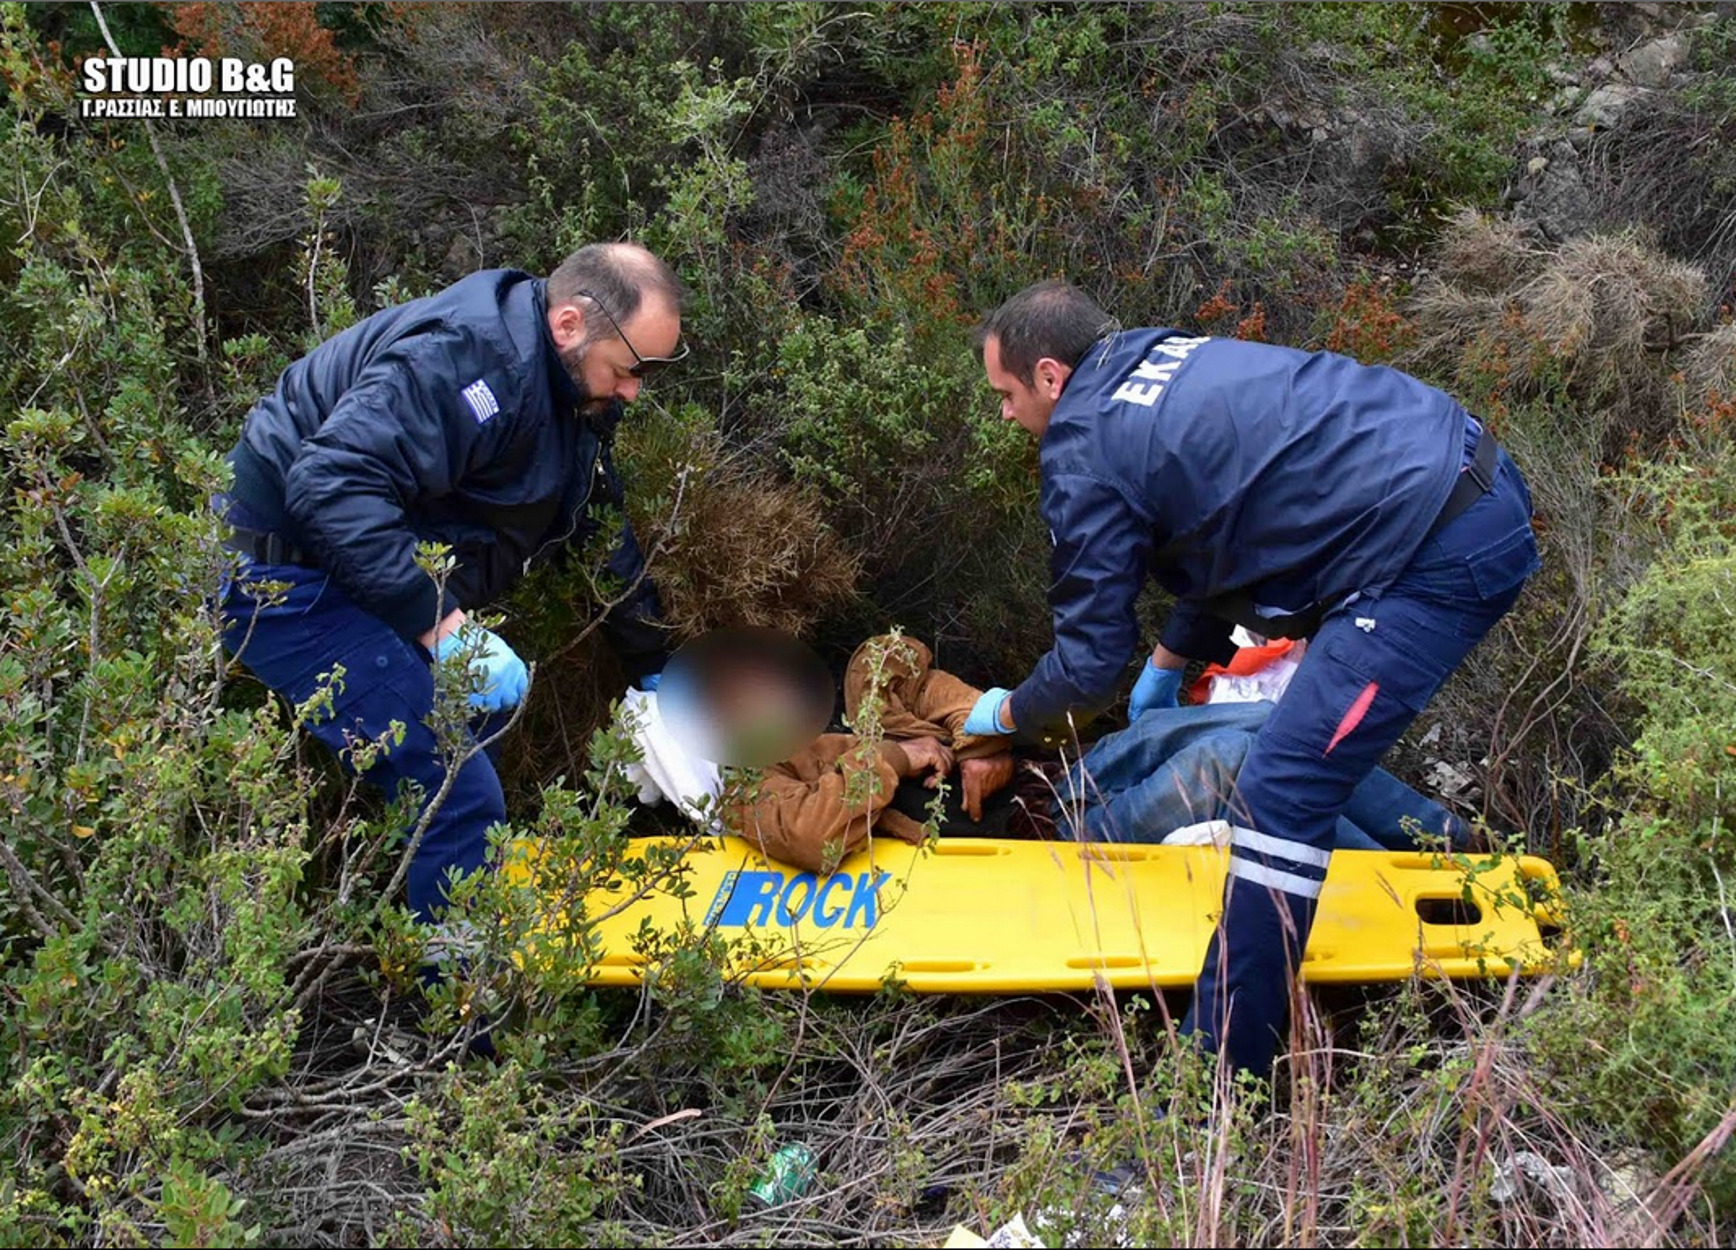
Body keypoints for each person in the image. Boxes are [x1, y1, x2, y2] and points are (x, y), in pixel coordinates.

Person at [961, 281, 1540, 1083]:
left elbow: (1087, 665)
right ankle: (1456, 848)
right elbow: (1218, 515)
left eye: (1006, 392)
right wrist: (1168, 666)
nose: (1004, 413)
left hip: (1425, 556)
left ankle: (1213, 1090)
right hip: (1460, 475)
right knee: (1284, 742)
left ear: (1051, 377)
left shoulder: (1080, 450)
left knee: (1281, 796)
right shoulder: (1152, 357)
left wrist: (1009, 715)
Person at [216, 242, 686, 925]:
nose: (633, 390)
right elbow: (330, 485)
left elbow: (591, 517)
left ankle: (426, 893)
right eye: (629, 369)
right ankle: (457, 1016)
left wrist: (654, 666)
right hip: (283, 575)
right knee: (456, 790)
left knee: (474, 730)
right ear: (569, 324)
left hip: (357, 560)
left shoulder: (573, 385)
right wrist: (443, 626)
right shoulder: (471, 362)